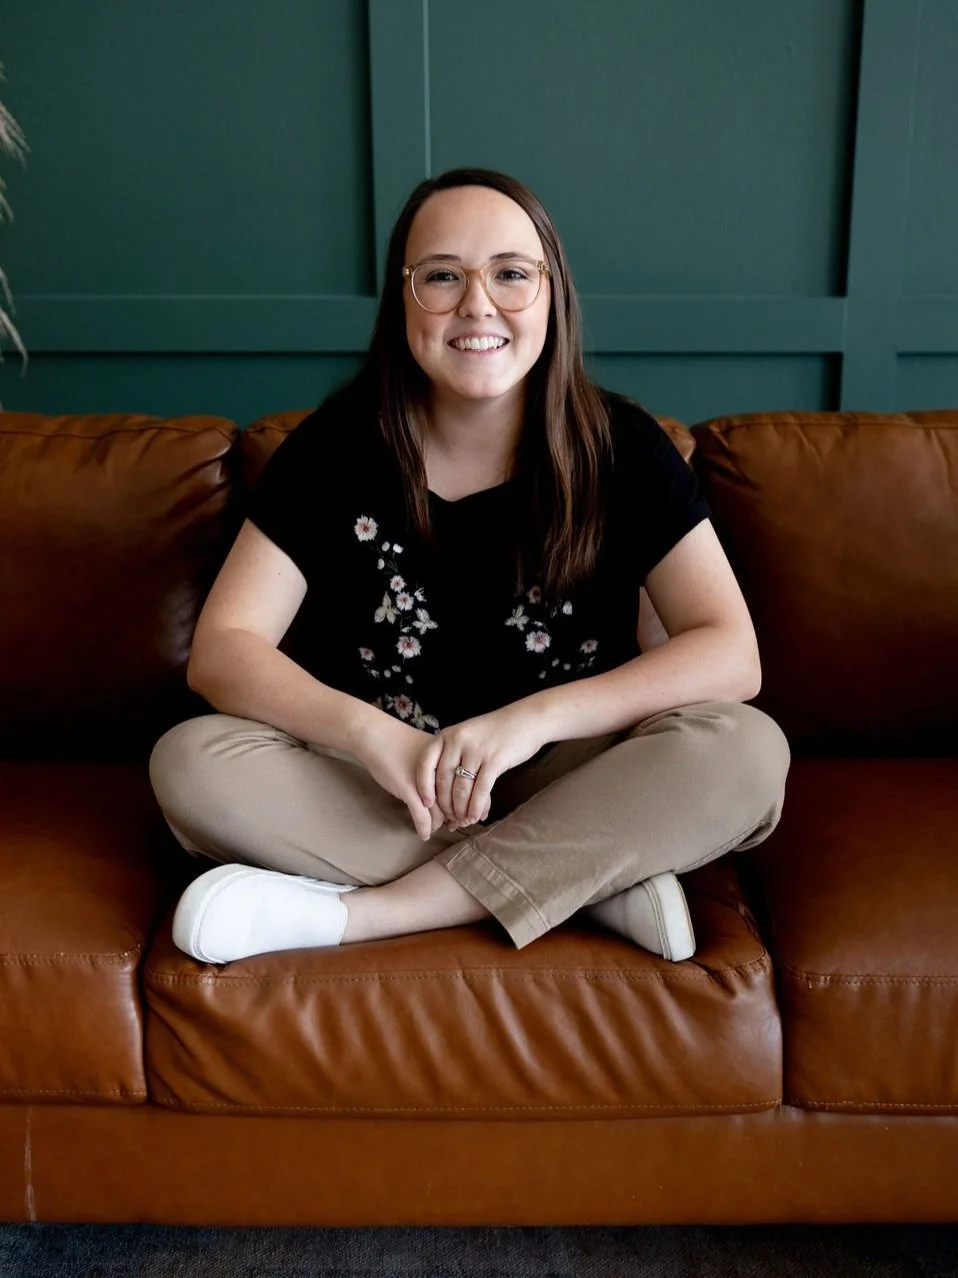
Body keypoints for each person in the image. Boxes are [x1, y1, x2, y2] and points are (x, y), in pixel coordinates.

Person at [149, 168, 790, 966]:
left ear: (553, 295)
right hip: (391, 789)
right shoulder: (334, 448)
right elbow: (223, 649)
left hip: (572, 773)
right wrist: (373, 737)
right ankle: (587, 879)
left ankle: (370, 914)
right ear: (403, 299)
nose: (478, 305)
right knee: (191, 765)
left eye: (512, 274)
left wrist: (534, 720)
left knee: (746, 751)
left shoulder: (623, 447)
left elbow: (731, 652)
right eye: (442, 276)